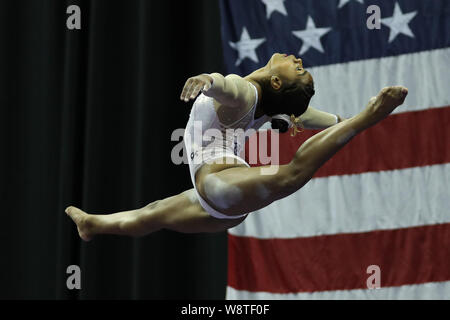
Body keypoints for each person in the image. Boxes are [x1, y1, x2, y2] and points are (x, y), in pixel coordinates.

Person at [66, 53, 408, 241]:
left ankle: (368, 117)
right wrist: (339, 122)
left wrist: (208, 80)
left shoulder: (247, 92)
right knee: (152, 214)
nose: (297, 59)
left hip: (221, 184)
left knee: (290, 175)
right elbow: (315, 117)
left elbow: (228, 87)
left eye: (298, 68)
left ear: (276, 81)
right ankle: (92, 225)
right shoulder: (273, 104)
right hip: (221, 204)